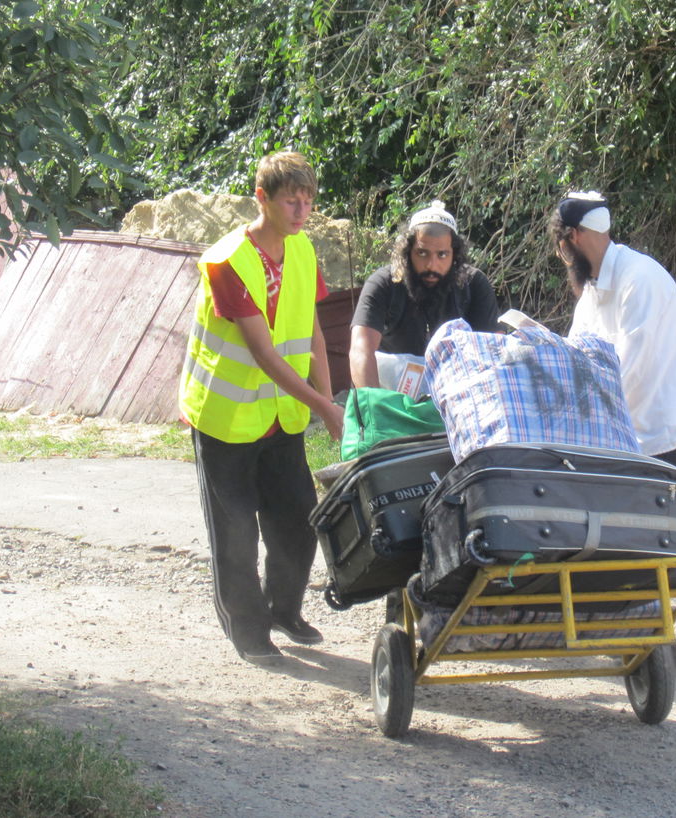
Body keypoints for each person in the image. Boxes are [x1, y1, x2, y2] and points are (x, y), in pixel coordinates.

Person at [178, 150, 345, 667]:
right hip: (225, 418)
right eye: (291, 201)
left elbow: (312, 331)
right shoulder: (227, 261)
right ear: (262, 199)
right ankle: (249, 631)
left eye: (308, 200)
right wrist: (324, 406)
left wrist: (333, 398)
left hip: (280, 415)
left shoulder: (302, 252)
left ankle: (285, 611)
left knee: (298, 521)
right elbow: (264, 354)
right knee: (234, 532)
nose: (301, 211)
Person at [549, 190, 676, 469]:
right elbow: (575, 354)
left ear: (573, 237)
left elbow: (629, 369)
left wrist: (579, 414)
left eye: (560, 247)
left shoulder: (640, 278)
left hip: (663, 431)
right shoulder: (592, 292)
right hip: (627, 435)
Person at [349, 200, 500, 389]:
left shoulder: (474, 285)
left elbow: (494, 355)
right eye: (422, 253)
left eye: (442, 255)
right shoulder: (383, 284)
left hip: (458, 399)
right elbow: (360, 350)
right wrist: (372, 405)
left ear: (455, 254)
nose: (431, 265)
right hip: (392, 398)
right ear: (407, 252)